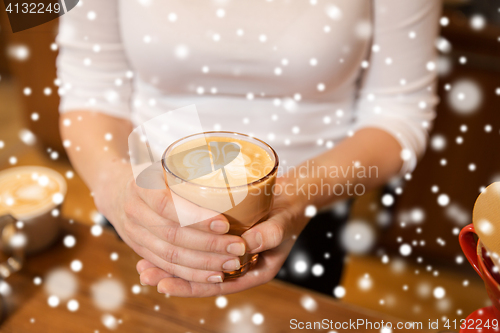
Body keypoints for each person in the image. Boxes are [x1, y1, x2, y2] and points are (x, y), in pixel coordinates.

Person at [57, 0, 440, 297]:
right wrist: (114, 186)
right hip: (144, 209)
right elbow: (89, 86)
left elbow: (398, 111)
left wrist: (293, 200)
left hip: (308, 210)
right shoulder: (133, 202)